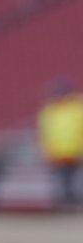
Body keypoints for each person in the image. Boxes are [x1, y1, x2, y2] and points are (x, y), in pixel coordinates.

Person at [41, 80, 83, 211]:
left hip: (75, 151)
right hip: (58, 152)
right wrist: (46, 151)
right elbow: (45, 133)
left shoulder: (76, 109)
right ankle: (64, 203)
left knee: (76, 179)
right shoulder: (49, 111)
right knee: (61, 180)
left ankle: (75, 203)